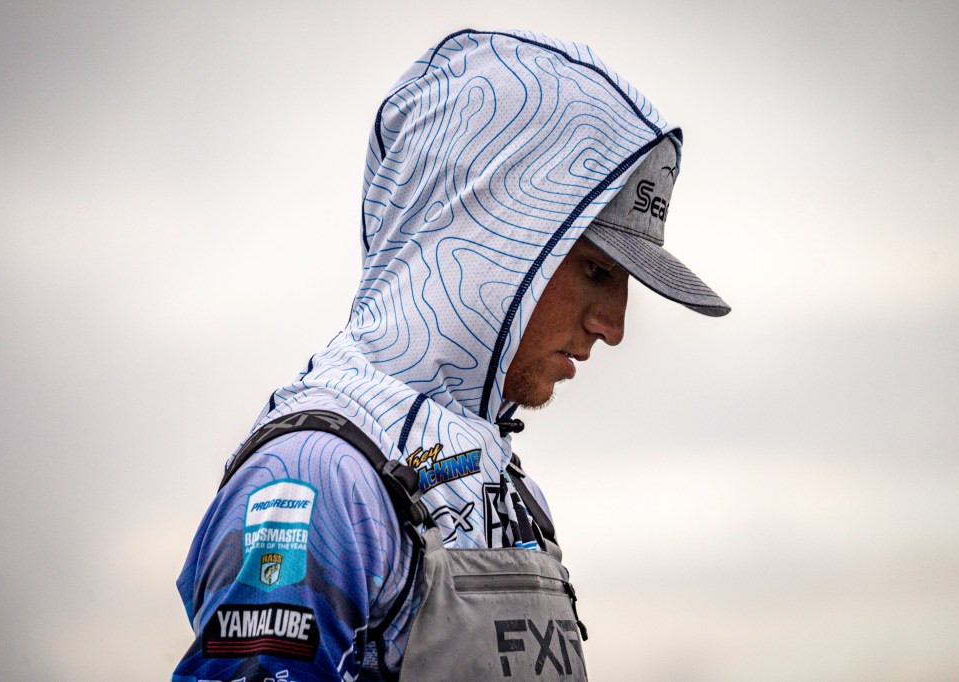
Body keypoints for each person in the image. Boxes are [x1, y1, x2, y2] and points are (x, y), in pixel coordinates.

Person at [174, 29, 729, 682]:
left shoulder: (507, 488)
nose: (614, 327)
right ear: (494, 240)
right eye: (597, 270)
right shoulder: (317, 484)